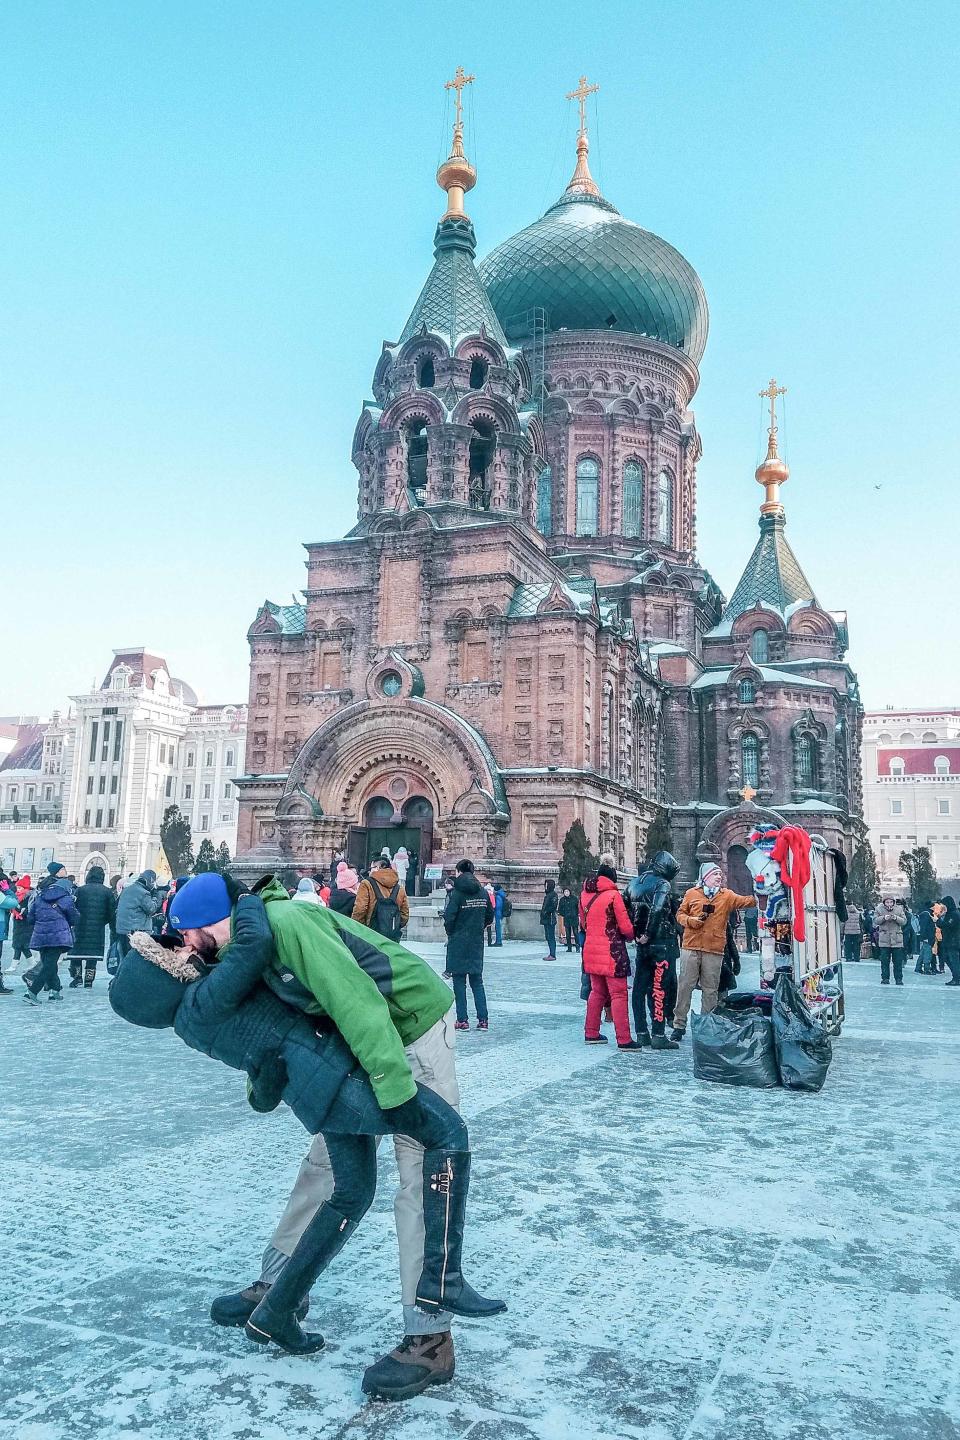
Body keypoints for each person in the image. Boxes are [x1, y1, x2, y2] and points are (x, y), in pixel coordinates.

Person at [109, 873, 504, 1382]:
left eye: (185, 932)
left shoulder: (288, 922)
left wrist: (392, 1085)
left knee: (419, 1171)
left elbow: (354, 1000)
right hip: (352, 1049)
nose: (182, 944)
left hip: (406, 1027)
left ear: (213, 920)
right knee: (322, 1170)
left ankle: (428, 1337)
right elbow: (266, 1037)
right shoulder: (233, 955)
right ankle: (276, 1287)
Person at [670, 862, 756, 1042]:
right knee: (685, 986)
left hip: (714, 949)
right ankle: (679, 1025)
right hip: (691, 947)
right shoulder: (691, 893)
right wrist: (691, 920)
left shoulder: (727, 896)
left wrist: (761, 889)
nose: (719, 877)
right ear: (705, 877)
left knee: (710, 990)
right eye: (715, 874)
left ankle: (706, 1025)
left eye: (720, 874)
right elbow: (679, 915)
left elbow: (748, 901)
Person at [581, 856, 641, 1052]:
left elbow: (583, 924)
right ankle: (624, 1039)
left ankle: (591, 1033)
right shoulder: (613, 896)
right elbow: (625, 928)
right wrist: (633, 934)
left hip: (590, 951)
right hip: (611, 952)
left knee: (596, 992)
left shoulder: (584, 896)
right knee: (619, 994)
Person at [624, 850, 681, 1051]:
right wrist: (648, 932)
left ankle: (641, 1033)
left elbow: (625, 910)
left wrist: (635, 932)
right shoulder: (662, 884)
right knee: (659, 988)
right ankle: (658, 1033)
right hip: (660, 943)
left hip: (641, 944)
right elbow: (657, 910)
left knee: (639, 988)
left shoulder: (633, 883)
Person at [443, 859, 491, 1031]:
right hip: (476, 941)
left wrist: (452, 932)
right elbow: (490, 916)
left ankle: (462, 1020)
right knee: (477, 982)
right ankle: (483, 1020)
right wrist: (478, 927)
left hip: (458, 941)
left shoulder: (456, 893)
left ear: (459, 872)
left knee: (459, 982)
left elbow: (449, 917)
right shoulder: (483, 893)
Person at [22, 863, 80, 1003]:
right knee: (49, 965)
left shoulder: (40, 896)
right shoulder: (66, 898)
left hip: (41, 936)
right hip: (58, 936)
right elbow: (75, 918)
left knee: (49, 963)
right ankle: (32, 992)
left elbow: (30, 918)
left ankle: (55, 990)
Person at [68, 865, 117, 988]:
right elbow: (111, 912)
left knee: (77, 954)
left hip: (80, 926)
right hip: (97, 928)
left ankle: (77, 978)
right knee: (92, 957)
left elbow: (73, 908)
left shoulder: (80, 890)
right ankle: (89, 981)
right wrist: (104, 922)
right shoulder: (107, 892)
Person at [354, 858, 409, 940]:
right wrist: (393, 926)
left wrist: (358, 928)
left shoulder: (366, 884)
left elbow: (360, 909)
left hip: (371, 934)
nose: (369, 871)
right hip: (392, 936)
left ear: (377, 868)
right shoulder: (399, 888)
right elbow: (405, 914)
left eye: (371, 868)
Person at [115, 870, 161, 958]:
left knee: (124, 958)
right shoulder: (143, 893)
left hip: (122, 930)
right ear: (150, 881)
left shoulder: (127, 889)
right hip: (136, 931)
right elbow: (151, 909)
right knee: (135, 959)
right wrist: (155, 897)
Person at [875, 895, 908, 985]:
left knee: (897, 961)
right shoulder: (879, 909)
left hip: (896, 939)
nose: (889, 904)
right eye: (887, 902)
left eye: (891, 902)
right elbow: (875, 920)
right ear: (884, 903)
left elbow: (904, 921)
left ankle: (899, 979)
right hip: (884, 939)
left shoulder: (899, 909)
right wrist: (883, 918)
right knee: (884, 961)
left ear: (893, 902)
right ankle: (885, 978)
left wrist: (896, 918)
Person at [938, 896, 960, 984]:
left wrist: (939, 921)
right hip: (949, 940)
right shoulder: (950, 913)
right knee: (947, 958)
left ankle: (956, 978)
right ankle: (956, 976)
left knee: (953, 960)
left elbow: (948, 925)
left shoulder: (954, 914)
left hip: (953, 941)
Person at [540, 879, 559, 961]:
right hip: (546, 918)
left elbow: (553, 906)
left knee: (551, 937)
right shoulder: (548, 895)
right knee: (548, 936)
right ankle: (551, 953)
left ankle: (552, 954)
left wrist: (546, 912)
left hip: (550, 918)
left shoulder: (553, 895)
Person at [558, 888, 580, 952]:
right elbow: (560, 909)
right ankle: (569, 947)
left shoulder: (574, 899)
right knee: (568, 933)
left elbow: (578, 907)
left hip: (574, 918)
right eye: (565, 891)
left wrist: (575, 914)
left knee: (575, 932)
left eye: (567, 891)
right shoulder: (562, 900)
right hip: (567, 918)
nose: (566, 893)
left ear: (570, 892)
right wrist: (563, 914)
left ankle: (577, 947)